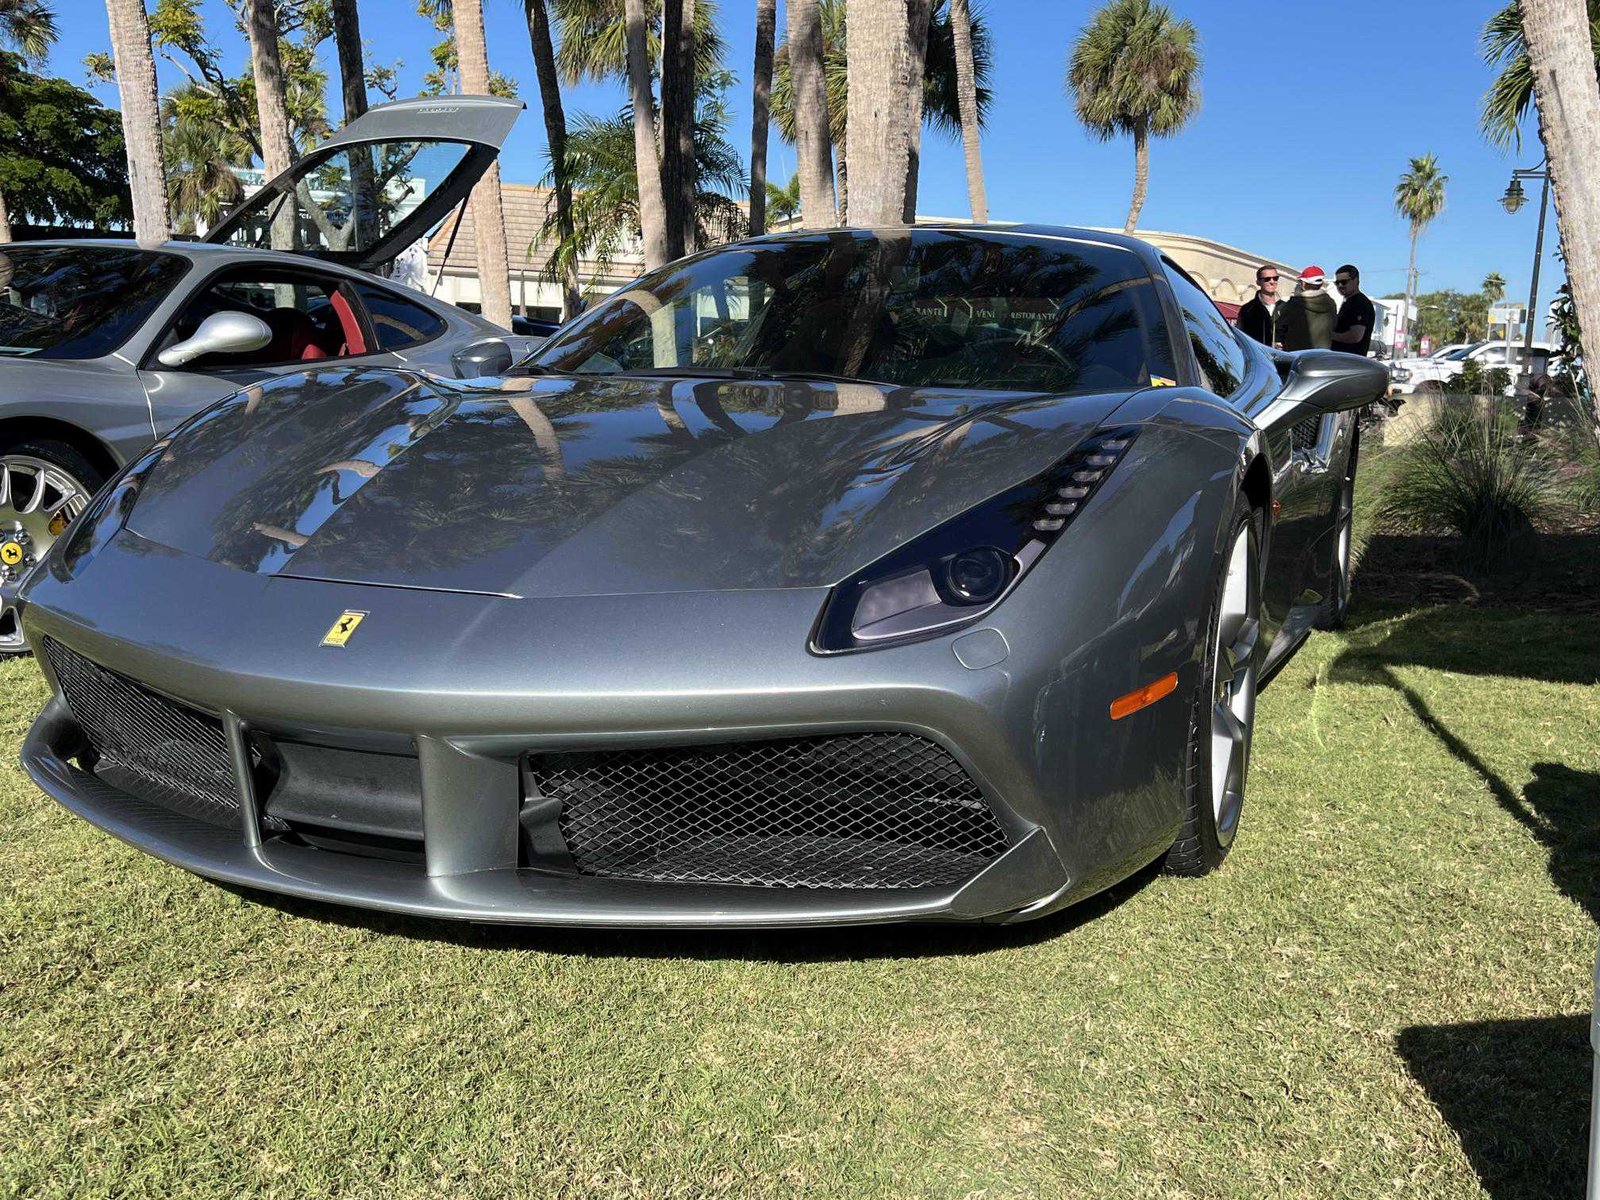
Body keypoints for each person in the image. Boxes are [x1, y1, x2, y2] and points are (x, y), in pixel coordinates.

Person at [1279, 265, 1335, 351]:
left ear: (1304, 284)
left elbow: (1280, 327)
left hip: (1298, 355)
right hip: (1323, 354)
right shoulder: (1331, 304)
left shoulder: (1294, 304)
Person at [1330, 263, 1375, 356]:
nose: (1340, 285)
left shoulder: (1360, 303)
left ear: (1356, 280)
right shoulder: (1348, 302)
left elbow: (1355, 336)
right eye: (1337, 283)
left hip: (1350, 360)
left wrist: (1329, 335)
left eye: (1343, 282)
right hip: (1342, 358)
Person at [1236, 264, 1286, 348]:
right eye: (1267, 279)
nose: (1272, 282)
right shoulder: (1247, 309)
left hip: (1281, 355)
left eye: (1275, 278)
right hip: (1257, 354)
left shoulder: (1287, 308)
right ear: (1258, 282)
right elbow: (1240, 337)